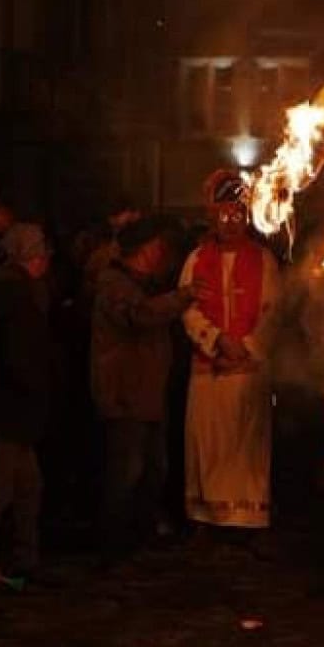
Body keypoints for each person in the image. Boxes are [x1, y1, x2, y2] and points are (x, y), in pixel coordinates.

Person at [92, 217, 198, 565]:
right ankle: (115, 544)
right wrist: (182, 297)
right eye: (157, 247)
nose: (162, 253)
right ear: (145, 249)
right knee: (127, 471)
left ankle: (140, 536)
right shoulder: (114, 284)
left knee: (153, 469)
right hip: (125, 394)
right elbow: (138, 316)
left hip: (148, 394)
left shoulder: (143, 283)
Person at [181, 171, 280, 530]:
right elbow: (188, 309)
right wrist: (216, 339)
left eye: (237, 215)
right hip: (209, 370)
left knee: (245, 450)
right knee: (206, 446)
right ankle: (206, 517)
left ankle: (246, 520)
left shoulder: (263, 260)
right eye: (223, 215)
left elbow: (273, 312)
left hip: (246, 371)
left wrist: (245, 346)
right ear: (212, 217)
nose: (230, 223)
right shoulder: (196, 259)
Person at [0, 223, 53, 577]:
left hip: (9, 409)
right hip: (8, 409)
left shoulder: (6, 291)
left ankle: (22, 558)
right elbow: (17, 355)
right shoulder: (14, 296)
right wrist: (39, 384)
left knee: (25, 487)